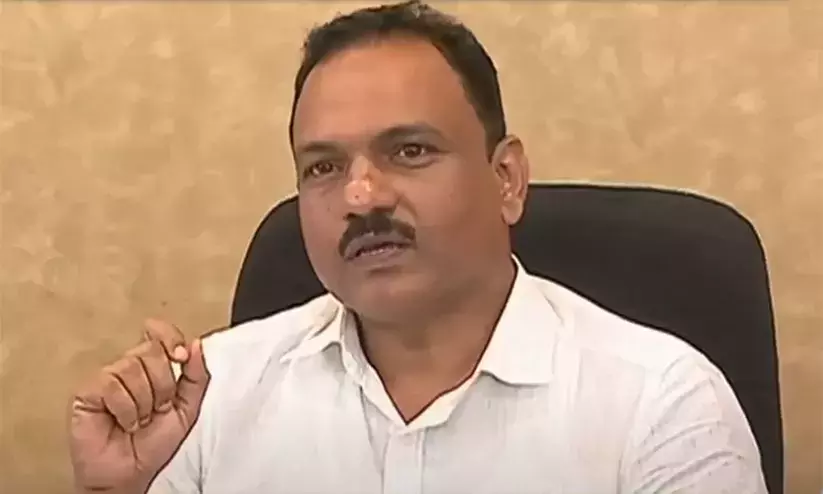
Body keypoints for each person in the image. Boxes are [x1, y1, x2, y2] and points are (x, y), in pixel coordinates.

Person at [68, 2, 768, 493]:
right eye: (323, 166)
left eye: (409, 151)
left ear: (506, 179)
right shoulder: (211, 396)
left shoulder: (662, 406)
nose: (361, 196)